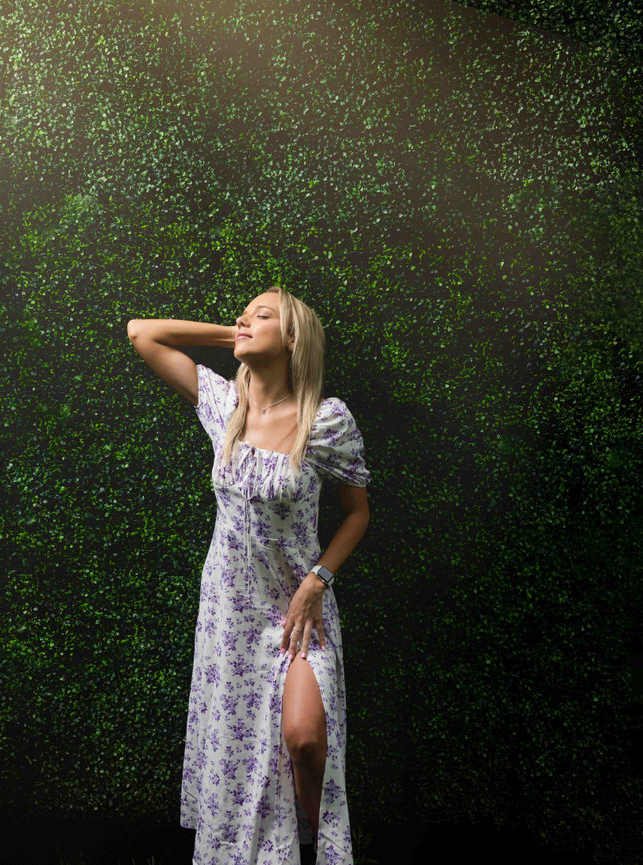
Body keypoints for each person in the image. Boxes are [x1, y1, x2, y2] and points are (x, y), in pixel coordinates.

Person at [127, 285, 371, 865]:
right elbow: (142, 331)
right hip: (232, 613)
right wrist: (233, 335)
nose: (243, 319)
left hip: (297, 608)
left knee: (305, 740)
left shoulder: (325, 420)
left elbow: (358, 513)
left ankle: (317, 848)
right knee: (243, 757)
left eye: (261, 316)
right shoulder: (222, 404)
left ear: (291, 339)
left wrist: (318, 580)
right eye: (242, 313)